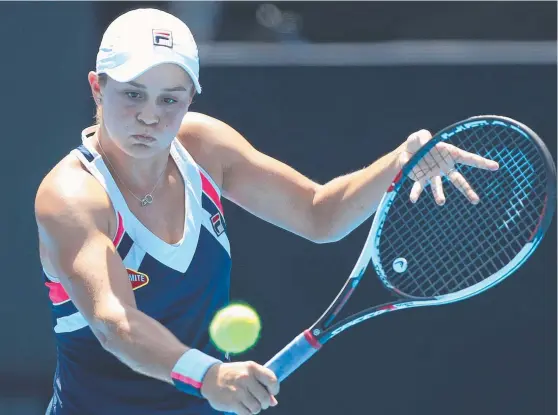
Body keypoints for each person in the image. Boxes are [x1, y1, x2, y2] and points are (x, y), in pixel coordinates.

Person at [34, 8, 499, 415]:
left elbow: (320, 215)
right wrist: (209, 376)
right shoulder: (72, 196)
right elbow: (117, 324)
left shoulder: (203, 147)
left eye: (169, 99)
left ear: (189, 99)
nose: (151, 116)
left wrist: (397, 163)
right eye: (133, 94)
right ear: (98, 88)